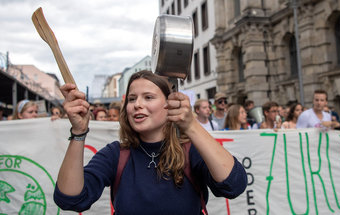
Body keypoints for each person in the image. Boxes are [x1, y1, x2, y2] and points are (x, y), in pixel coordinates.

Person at [54, 70, 247, 214]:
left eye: (148, 97)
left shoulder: (191, 151)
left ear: (169, 105)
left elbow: (234, 185)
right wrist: (79, 132)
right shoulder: (115, 154)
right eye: (132, 98)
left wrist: (190, 126)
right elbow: (70, 199)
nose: (137, 104)